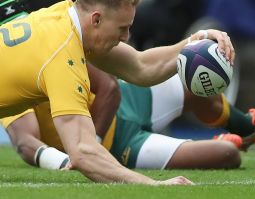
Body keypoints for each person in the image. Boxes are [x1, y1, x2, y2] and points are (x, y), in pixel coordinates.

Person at [0, 0, 235, 184]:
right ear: (97, 19)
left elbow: (142, 66)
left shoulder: (65, 18)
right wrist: (153, 185)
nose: (126, 37)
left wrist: (196, 40)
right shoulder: (62, 56)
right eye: (123, 28)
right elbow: (82, 152)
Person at [2, 63, 255, 171]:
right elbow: (26, 140)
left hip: (125, 101)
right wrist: (73, 158)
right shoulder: (9, 73)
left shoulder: (47, 46)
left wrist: (90, 142)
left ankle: (248, 125)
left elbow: (110, 89)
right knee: (227, 154)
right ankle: (226, 141)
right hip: (119, 145)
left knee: (193, 76)